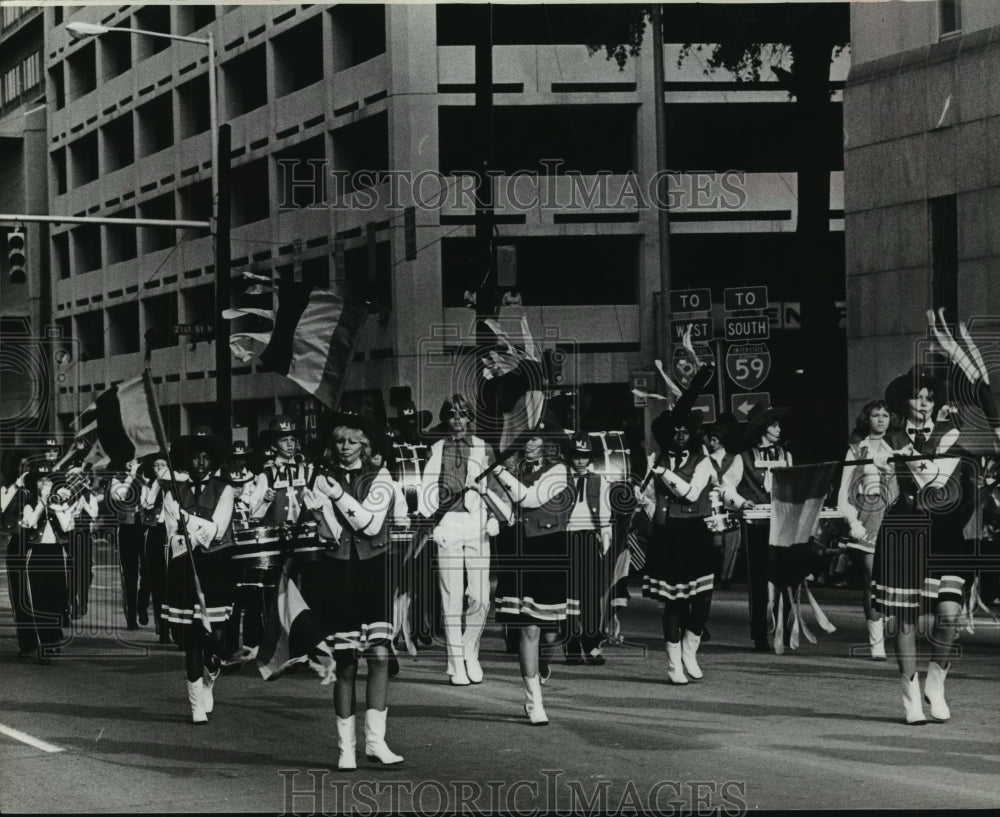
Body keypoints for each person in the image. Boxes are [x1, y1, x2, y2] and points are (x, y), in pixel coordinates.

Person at [874, 309, 1000, 724]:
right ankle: (909, 694)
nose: (924, 402)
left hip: (949, 533)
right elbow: (884, 487)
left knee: (947, 615)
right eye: (916, 396)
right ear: (903, 403)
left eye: (929, 396)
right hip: (906, 531)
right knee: (905, 618)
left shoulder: (954, 435)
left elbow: (986, 408)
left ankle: (937, 681)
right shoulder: (888, 441)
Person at [304, 413, 403, 769]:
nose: (345, 448)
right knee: (345, 662)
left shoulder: (382, 478)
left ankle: (376, 742)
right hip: (338, 569)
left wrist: (337, 494)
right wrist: (317, 514)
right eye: (340, 442)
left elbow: (369, 523)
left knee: (378, 656)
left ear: (367, 446)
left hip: (374, 569)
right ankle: (346, 748)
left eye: (353, 442)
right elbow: (329, 535)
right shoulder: (322, 479)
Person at [491, 433, 575, 725]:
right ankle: (533, 700)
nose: (529, 444)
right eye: (525, 439)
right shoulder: (512, 470)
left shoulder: (559, 470)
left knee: (550, 633)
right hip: (520, 550)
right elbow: (507, 511)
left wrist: (498, 472)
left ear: (547, 442)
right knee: (529, 629)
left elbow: (529, 498)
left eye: (535, 438)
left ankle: (542, 667)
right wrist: (485, 494)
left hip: (549, 549)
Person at [417, 394, 496, 686]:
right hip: (447, 524)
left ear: (471, 418)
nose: (458, 420)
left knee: (481, 597)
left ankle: (469, 651)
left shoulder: (482, 447)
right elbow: (426, 488)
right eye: (453, 415)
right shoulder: (436, 448)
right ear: (446, 419)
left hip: (477, 524)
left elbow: (494, 485)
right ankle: (455, 663)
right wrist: (431, 523)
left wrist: (492, 516)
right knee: (451, 598)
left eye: (463, 415)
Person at [161, 427, 235, 724]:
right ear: (187, 462)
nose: (201, 462)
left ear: (213, 461)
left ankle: (210, 675)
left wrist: (187, 520)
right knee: (190, 637)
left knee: (215, 638)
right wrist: (188, 529)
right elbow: (171, 535)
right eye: (196, 458)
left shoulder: (225, 489)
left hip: (216, 566)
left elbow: (216, 530)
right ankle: (195, 705)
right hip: (184, 566)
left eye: (206, 458)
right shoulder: (171, 493)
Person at [641, 409, 716, 684]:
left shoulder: (703, 461)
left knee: (703, 598)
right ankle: (673, 664)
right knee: (674, 601)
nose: (680, 436)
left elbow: (693, 493)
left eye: (686, 431)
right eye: (675, 431)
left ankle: (690, 652)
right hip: (668, 534)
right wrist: (651, 511)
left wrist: (665, 473)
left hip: (697, 531)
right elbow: (647, 496)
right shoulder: (655, 459)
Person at [727, 404, 791, 651]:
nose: (779, 429)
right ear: (763, 429)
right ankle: (760, 634)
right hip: (756, 525)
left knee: (784, 579)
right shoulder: (742, 457)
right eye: (774, 425)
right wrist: (743, 502)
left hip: (783, 525)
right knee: (759, 581)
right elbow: (726, 488)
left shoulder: (786, 455)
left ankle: (782, 632)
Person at [836, 399, 897, 660]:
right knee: (873, 580)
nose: (881, 419)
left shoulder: (898, 448)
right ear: (867, 419)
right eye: (876, 415)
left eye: (885, 415)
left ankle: (893, 631)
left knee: (895, 582)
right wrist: (853, 522)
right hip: (868, 518)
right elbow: (842, 495)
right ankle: (876, 642)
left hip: (895, 518)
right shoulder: (855, 451)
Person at [564, 433, 613, 666]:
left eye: (584, 457)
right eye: (576, 456)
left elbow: (605, 516)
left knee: (591, 596)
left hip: (589, 539)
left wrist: (605, 545)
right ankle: (571, 645)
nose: (580, 461)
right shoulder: (560, 478)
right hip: (566, 539)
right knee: (569, 597)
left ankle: (592, 644)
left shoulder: (599, 480)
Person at [19, 470, 74, 662]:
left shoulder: (59, 504)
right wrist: (42, 505)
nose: (47, 490)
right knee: (39, 601)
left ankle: (53, 641)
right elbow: (30, 523)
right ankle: (44, 645)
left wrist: (58, 506)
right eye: (44, 487)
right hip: (37, 554)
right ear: (38, 488)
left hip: (56, 554)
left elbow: (68, 527)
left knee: (56, 599)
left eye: (50, 486)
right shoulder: (29, 505)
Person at [108, 459, 146, 630]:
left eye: (136, 460)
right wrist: (132, 475)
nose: (133, 463)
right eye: (130, 460)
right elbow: (122, 495)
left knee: (149, 572)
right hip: (127, 528)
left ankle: (142, 603)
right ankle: (131, 617)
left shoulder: (146, 476)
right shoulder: (117, 479)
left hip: (146, 526)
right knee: (130, 575)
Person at [137, 452, 171, 642]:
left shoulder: (176, 484)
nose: (159, 469)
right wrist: (158, 484)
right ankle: (162, 626)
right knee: (155, 579)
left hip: (172, 531)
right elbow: (147, 503)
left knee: (170, 581)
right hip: (154, 532)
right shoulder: (149, 486)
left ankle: (173, 624)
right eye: (156, 466)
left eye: (163, 465)